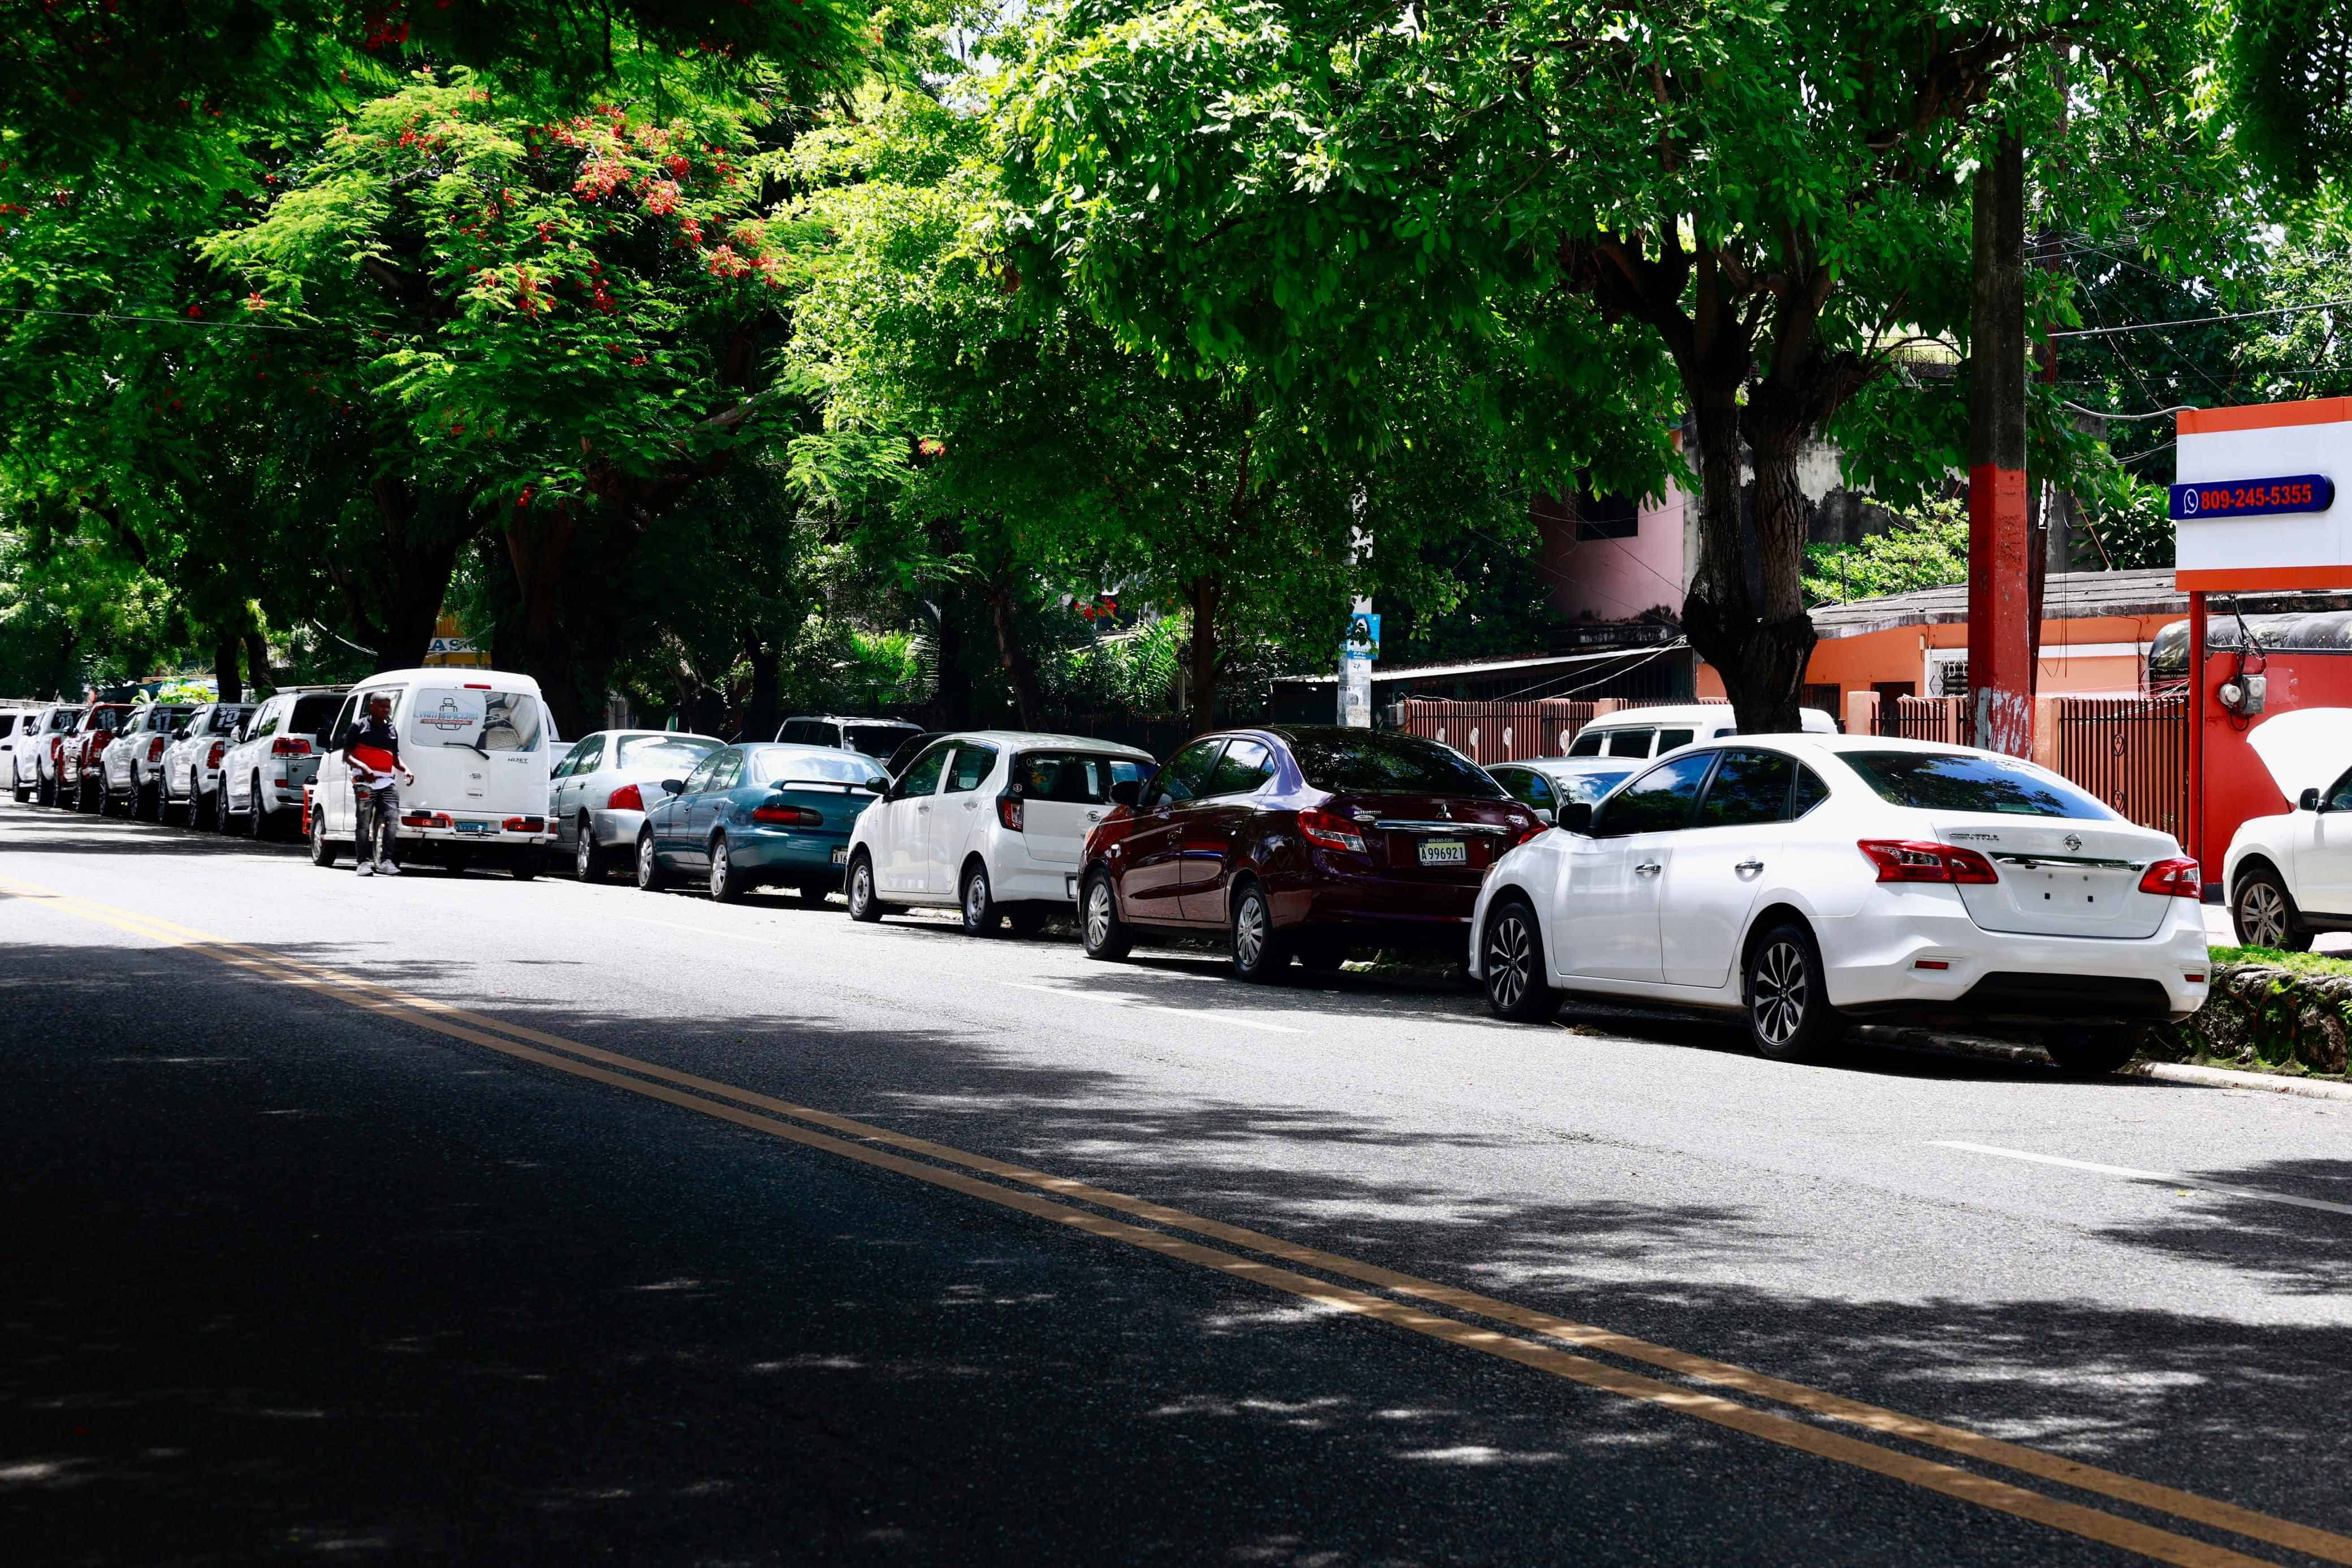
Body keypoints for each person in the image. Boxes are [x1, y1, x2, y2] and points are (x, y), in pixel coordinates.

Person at [339, 692, 414, 877]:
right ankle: (363, 863)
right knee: (363, 823)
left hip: (386, 783)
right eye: (382, 707)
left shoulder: (391, 729)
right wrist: (364, 768)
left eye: (388, 707)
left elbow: (394, 758)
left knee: (392, 819)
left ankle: (386, 861)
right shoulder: (358, 727)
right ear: (372, 706)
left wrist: (406, 770)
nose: (386, 710)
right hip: (364, 782)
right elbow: (346, 756)